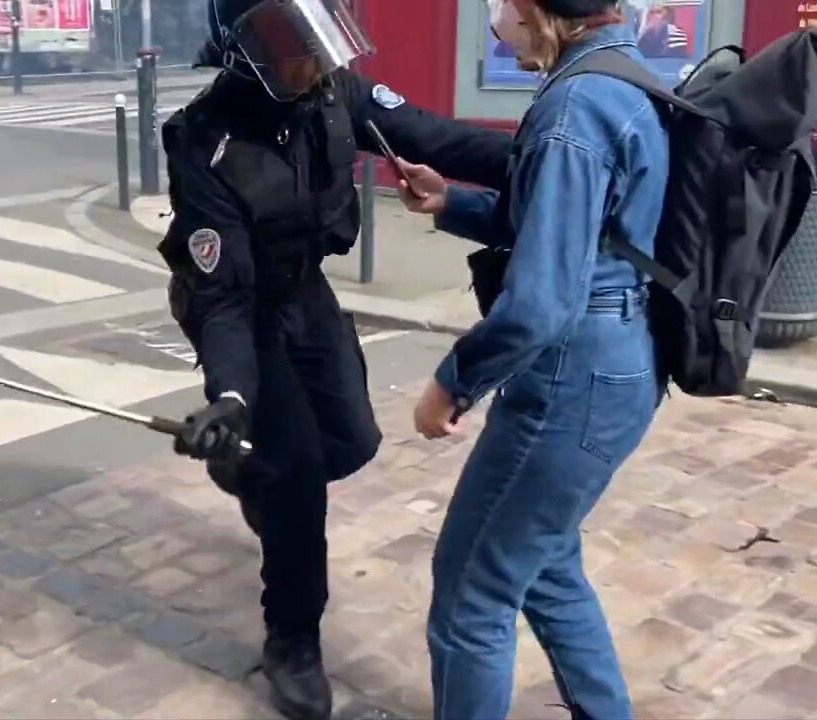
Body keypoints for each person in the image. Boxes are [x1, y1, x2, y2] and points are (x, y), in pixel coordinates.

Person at [158, 1, 514, 717]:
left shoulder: (336, 92)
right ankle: (292, 636)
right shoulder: (202, 138)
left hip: (305, 292)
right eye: (290, 46)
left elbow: (438, 137)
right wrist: (230, 397)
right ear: (242, 52)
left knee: (350, 442)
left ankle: (247, 468)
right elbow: (222, 298)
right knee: (295, 476)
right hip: (240, 304)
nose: (311, 59)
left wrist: (551, 152)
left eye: (315, 40)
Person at [395, 0, 669, 718]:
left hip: (571, 374)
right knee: (545, 565)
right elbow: (586, 231)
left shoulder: (575, 107)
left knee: (470, 596)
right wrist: (451, 201)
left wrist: (453, 383)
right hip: (621, 359)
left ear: (541, 10)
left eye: (504, 5)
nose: (493, 21)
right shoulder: (621, 78)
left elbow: (543, 301)